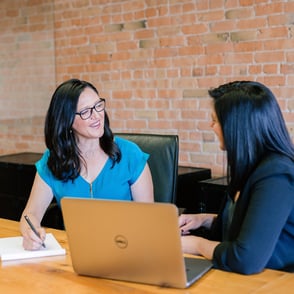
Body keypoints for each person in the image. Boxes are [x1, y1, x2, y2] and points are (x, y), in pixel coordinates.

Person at [20, 78, 154, 250]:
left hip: (127, 250)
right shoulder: (53, 161)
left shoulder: (130, 155)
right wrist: (30, 233)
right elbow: (30, 214)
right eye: (85, 111)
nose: (97, 115)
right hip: (77, 255)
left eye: (98, 106)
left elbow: (149, 221)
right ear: (66, 120)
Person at [179, 81, 294, 274]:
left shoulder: (276, 175)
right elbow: (249, 224)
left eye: (215, 120)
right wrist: (204, 220)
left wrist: (196, 245)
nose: (211, 125)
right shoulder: (251, 165)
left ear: (236, 126)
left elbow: (246, 258)